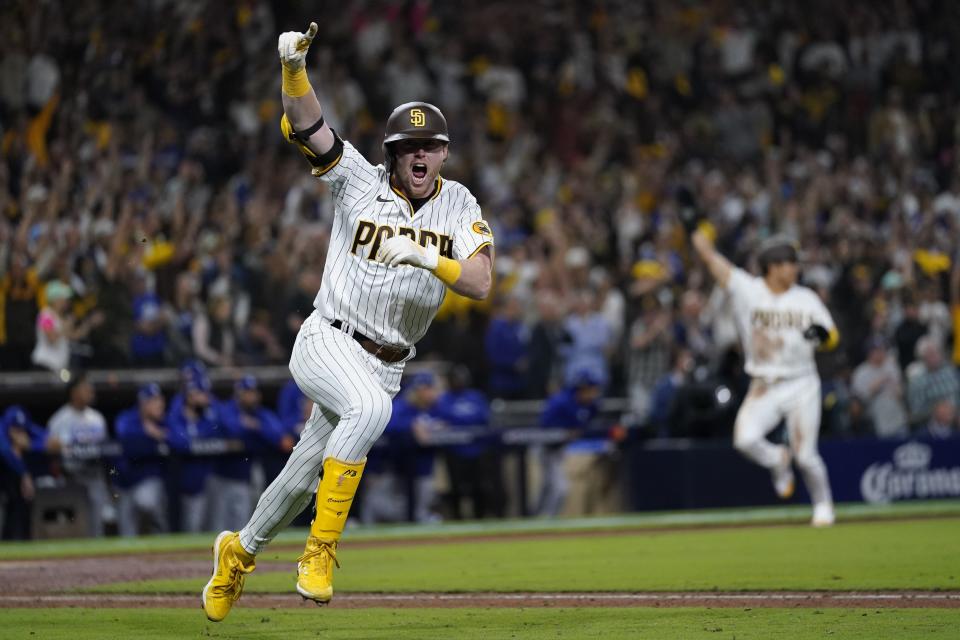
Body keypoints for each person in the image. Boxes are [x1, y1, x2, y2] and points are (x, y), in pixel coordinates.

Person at [203, 22, 493, 622]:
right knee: (370, 412)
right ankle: (320, 551)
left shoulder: (460, 202)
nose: (420, 154)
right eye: (409, 146)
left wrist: (425, 255)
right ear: (393, 152)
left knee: (299, 479)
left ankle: (239, 552)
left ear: (443, 151)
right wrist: (293, 72)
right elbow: (311, 126)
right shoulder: (358, 178)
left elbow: (482, 283)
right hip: (328, 338)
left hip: (388, 363)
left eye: (430, 145)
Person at [691, 230, 839, 527]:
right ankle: (776, 460)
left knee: (806, 456)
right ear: (772, 266)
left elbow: (832, 337)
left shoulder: (806, 298)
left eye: (794, 263)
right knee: (744, 440)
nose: (794, 268)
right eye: (788, 263)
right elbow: (715, 264)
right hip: (764, 386)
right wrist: (701, 238)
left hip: (802, 383)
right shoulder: (750, 290)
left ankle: (823, 506)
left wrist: (823, 337)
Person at [210, 375, 291, 532]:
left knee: (242, 523)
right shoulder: (227, 409)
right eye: (247, 392)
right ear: (238, 394)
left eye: (253, 392)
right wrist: (252, 432)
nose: (251, 396)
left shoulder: (260, 415)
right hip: (220, 476)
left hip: (245, 477)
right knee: (216, 525)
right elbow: (231, 429)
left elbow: (282, 439)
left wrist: (256, 427)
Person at [46, 372, 111, 536]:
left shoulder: (97, 418)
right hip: (71, 478)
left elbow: (105, 449)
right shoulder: (59, 419)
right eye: (85, 389)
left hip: (95, 476)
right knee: (73, 525)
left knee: (97, 524)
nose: (90, 392)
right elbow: (50, 451)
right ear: (73, 392)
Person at [435, 366, 504, 519]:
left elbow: (484, 418)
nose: (459, 381)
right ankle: (457, 518)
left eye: (461, 378)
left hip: (477, 450)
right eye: (456, 378)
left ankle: (479, 518)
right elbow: (443, 420)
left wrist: (459, 422)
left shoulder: (475, 396)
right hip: (455, 452)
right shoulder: (444, 398)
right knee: (456, 488)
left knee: (479, 487)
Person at [535, 368, 603, 517]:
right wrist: (565, 433)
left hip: (560, 450)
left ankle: (534, 518)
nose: (594, 393)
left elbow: (586, 427)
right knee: (560, 488)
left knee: (547, 487)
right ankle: (548, 522)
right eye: (591, 389)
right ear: (582, 388)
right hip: (548, 449)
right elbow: (543, 427)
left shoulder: (590, 405)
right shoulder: (561, 402)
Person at [167, 363, 220, 532]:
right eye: (196, 393)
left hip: (212, 476)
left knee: (215, 526)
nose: (202, 397)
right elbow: (177, 441)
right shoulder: (177, 409)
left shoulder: (208, 412)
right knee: (191, 528)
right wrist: (194, 440)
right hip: (185, 479)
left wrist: (195, 438)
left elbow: (221, 430)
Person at [115, 383, 170, 536]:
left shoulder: (164, 421)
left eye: (160, 400)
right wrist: (149, 435)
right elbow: (125, 438)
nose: (160, 405)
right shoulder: (128, 418)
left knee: (147, 502)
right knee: (126, 531)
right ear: (143, 403)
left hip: (149, 478)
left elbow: (180, 441)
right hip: (124, 482)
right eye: (154, 401)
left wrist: (160, 435)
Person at [850, 336, 908, 438]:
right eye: (877, 350)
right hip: (874, 424)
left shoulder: (892, 366)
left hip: (898, 421)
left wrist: (899, 390)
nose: (881, 353)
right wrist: (875, 386)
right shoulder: (860, 372)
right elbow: (857, 403)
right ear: (869, 353)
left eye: (882, 349)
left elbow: (901, 391)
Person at [906, 336, 960, 428]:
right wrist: (936, 411)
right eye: (930, 354)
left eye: (936, 352)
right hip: (933, 424)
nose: (934, 356)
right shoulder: (917, 382)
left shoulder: (951, 371)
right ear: (922, 358)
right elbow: (916, 411)